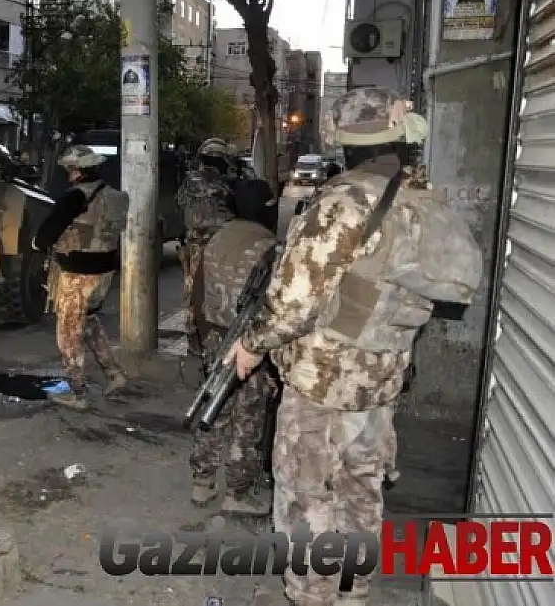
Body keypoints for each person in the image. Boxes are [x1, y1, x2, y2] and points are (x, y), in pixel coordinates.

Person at [224, 87, 482, 605]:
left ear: (344, 139)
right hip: (382, 381)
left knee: (307, 499)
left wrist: (252, 346)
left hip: (323, 383)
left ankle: (312, 596)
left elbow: (294, 303)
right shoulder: (419, 198)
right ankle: (352, 593)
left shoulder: (344, 201)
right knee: (361, 494)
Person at [187, 178, 279, 516]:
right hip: (249, 342)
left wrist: (196, 336)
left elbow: (196, 292)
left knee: (213, 404)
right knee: (248, 415)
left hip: (214, 335)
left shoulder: (217, 237)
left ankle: (202, 480)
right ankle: (238, 492)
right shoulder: (270, 246)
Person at [31, 145, 130, 411]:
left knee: (68, 331)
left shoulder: (74, 197)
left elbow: (46, 235)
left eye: (69, 170)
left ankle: (77, 392)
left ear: (76, 171)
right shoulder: (116, 196)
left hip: (78, 272)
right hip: (105, 271)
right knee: (87, 322)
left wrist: (36, 244)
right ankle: (114, 373)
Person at [176, 137, 236, 354]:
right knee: (214, 291)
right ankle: (203, 336)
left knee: (195, 291)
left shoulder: (193, 181)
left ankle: (196, 338)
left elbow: (181, 205)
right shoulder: (224, 183)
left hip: (202, 244)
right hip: (219, 244)